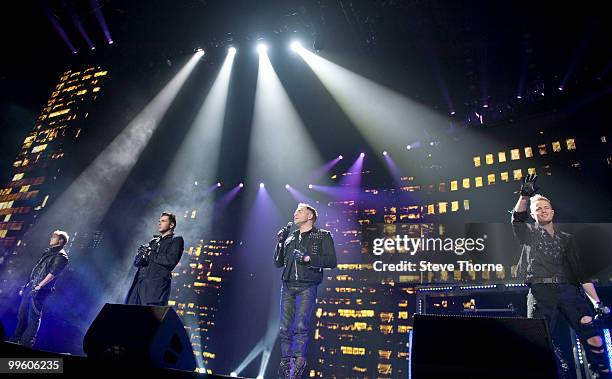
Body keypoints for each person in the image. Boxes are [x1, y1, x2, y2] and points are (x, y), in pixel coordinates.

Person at [512, 174, 610, 377]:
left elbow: (581, 273)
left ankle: (602, 374)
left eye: (546, 207)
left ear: (553, 212)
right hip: (541, 292)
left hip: (570, 291)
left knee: (594, 337)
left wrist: (597, 303)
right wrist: (524, 196)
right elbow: (518, 219)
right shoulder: (528, 234)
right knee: (540, 341)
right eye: (538, 208)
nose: (543, 210)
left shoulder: (567, 240)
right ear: (533, 214)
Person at [274, 203, 337, 379]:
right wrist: (279, 243)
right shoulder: (290, 237)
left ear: (310, 216)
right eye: (295, 210)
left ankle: (296, 371)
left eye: (300, 211)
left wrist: (309, 258)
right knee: (285, 328)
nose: (296, 213)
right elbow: (278, 263)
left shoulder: (322, 235)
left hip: (307, 285)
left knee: (300, 327)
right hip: (287, 285)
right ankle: (287, 368)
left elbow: (332, 261)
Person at [12, 230, 70, 347]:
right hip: (31, 287)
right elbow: (38, 269)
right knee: (22, 314)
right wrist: (28, 284)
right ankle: (16, 338)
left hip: (40, 290)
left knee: (33, 317)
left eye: (54, 237)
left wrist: (39, 286)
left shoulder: (61, 256)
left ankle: (26, 343)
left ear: (61, 240)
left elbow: (52, 273)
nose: (51, 238)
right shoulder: (49, 252)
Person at [125, 212, 184, 306]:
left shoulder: (176, 240)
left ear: (171, 224)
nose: (159, 223)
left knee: (149, 316)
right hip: (139, 284)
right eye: (159, 221)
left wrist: (150, 253)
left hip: (155, 287)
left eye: (163, 221)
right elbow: (138, 264)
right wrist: (140, 256)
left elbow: (171, 261)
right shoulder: (153, 241)